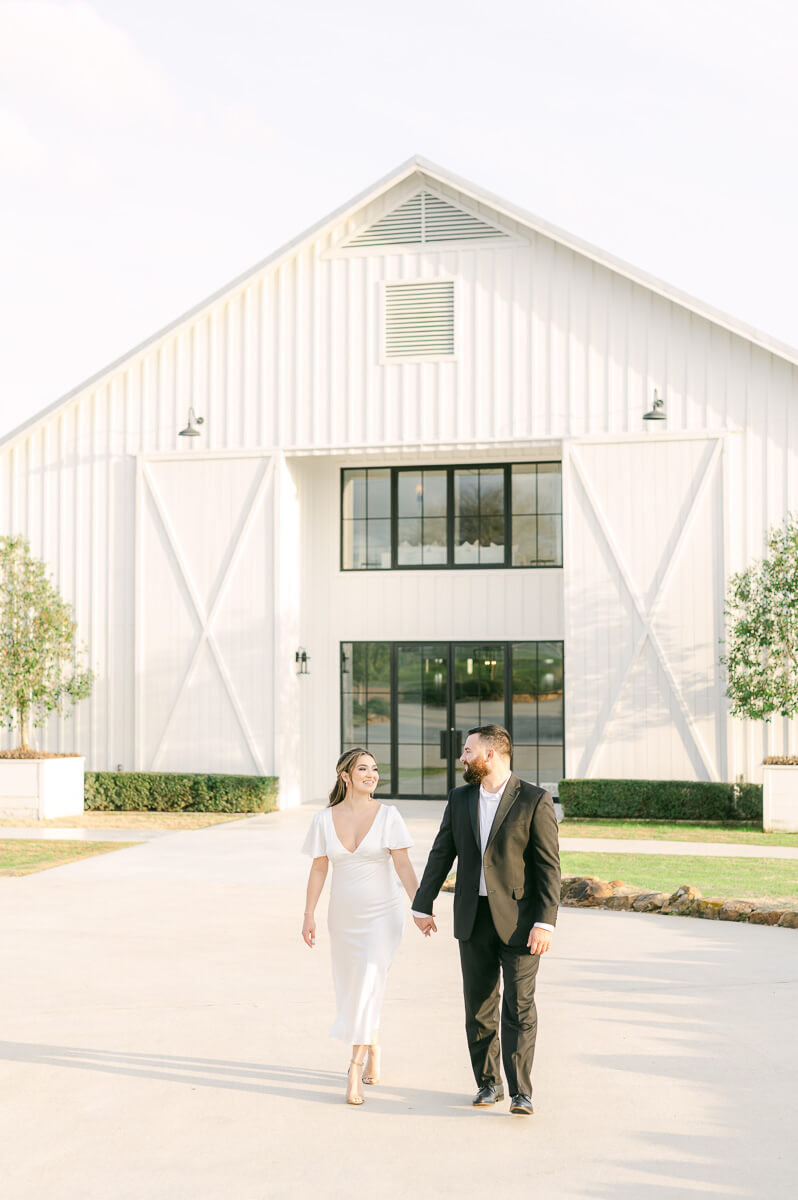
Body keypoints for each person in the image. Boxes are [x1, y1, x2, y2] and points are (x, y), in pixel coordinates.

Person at [412, 725, 561, 1117]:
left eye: (467, 750)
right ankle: (487, 1084)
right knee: (478, 1006)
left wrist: (545, 922)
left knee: (519, 1006)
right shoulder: (460, 799)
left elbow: (548, 868)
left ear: (490, 755)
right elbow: (441, 852)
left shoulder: (534, 799)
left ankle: (521, 1092)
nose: (462, 757)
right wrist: (422, 904)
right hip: (472, 919)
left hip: (521, 923)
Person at [301, 747, 419, 1105]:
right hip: (344, 917)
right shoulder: (324, 819)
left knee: (369, 978)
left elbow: (403, 866)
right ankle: (374, 1046)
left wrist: (421, 907)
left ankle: (353, 1068)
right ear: (345, 776)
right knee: (355, 986)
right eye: (363, 769)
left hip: (383, 915)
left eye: (375, 769)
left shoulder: (389, 816)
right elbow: (319, 868)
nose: (371, 775)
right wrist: (309, 914)